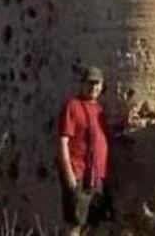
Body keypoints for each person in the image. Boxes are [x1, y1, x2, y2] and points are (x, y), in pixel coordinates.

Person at [57, 66, 111, 235]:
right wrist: (69, 172)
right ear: (83, 84)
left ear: (102, 86)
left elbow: (104, 135)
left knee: (91, 222)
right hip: (79, 172)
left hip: (96, 176)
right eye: (90, 83)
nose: (94, 87)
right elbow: (63, 140)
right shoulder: (73, 106)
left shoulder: (99, 110)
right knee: (75, 222)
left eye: (97, 83)